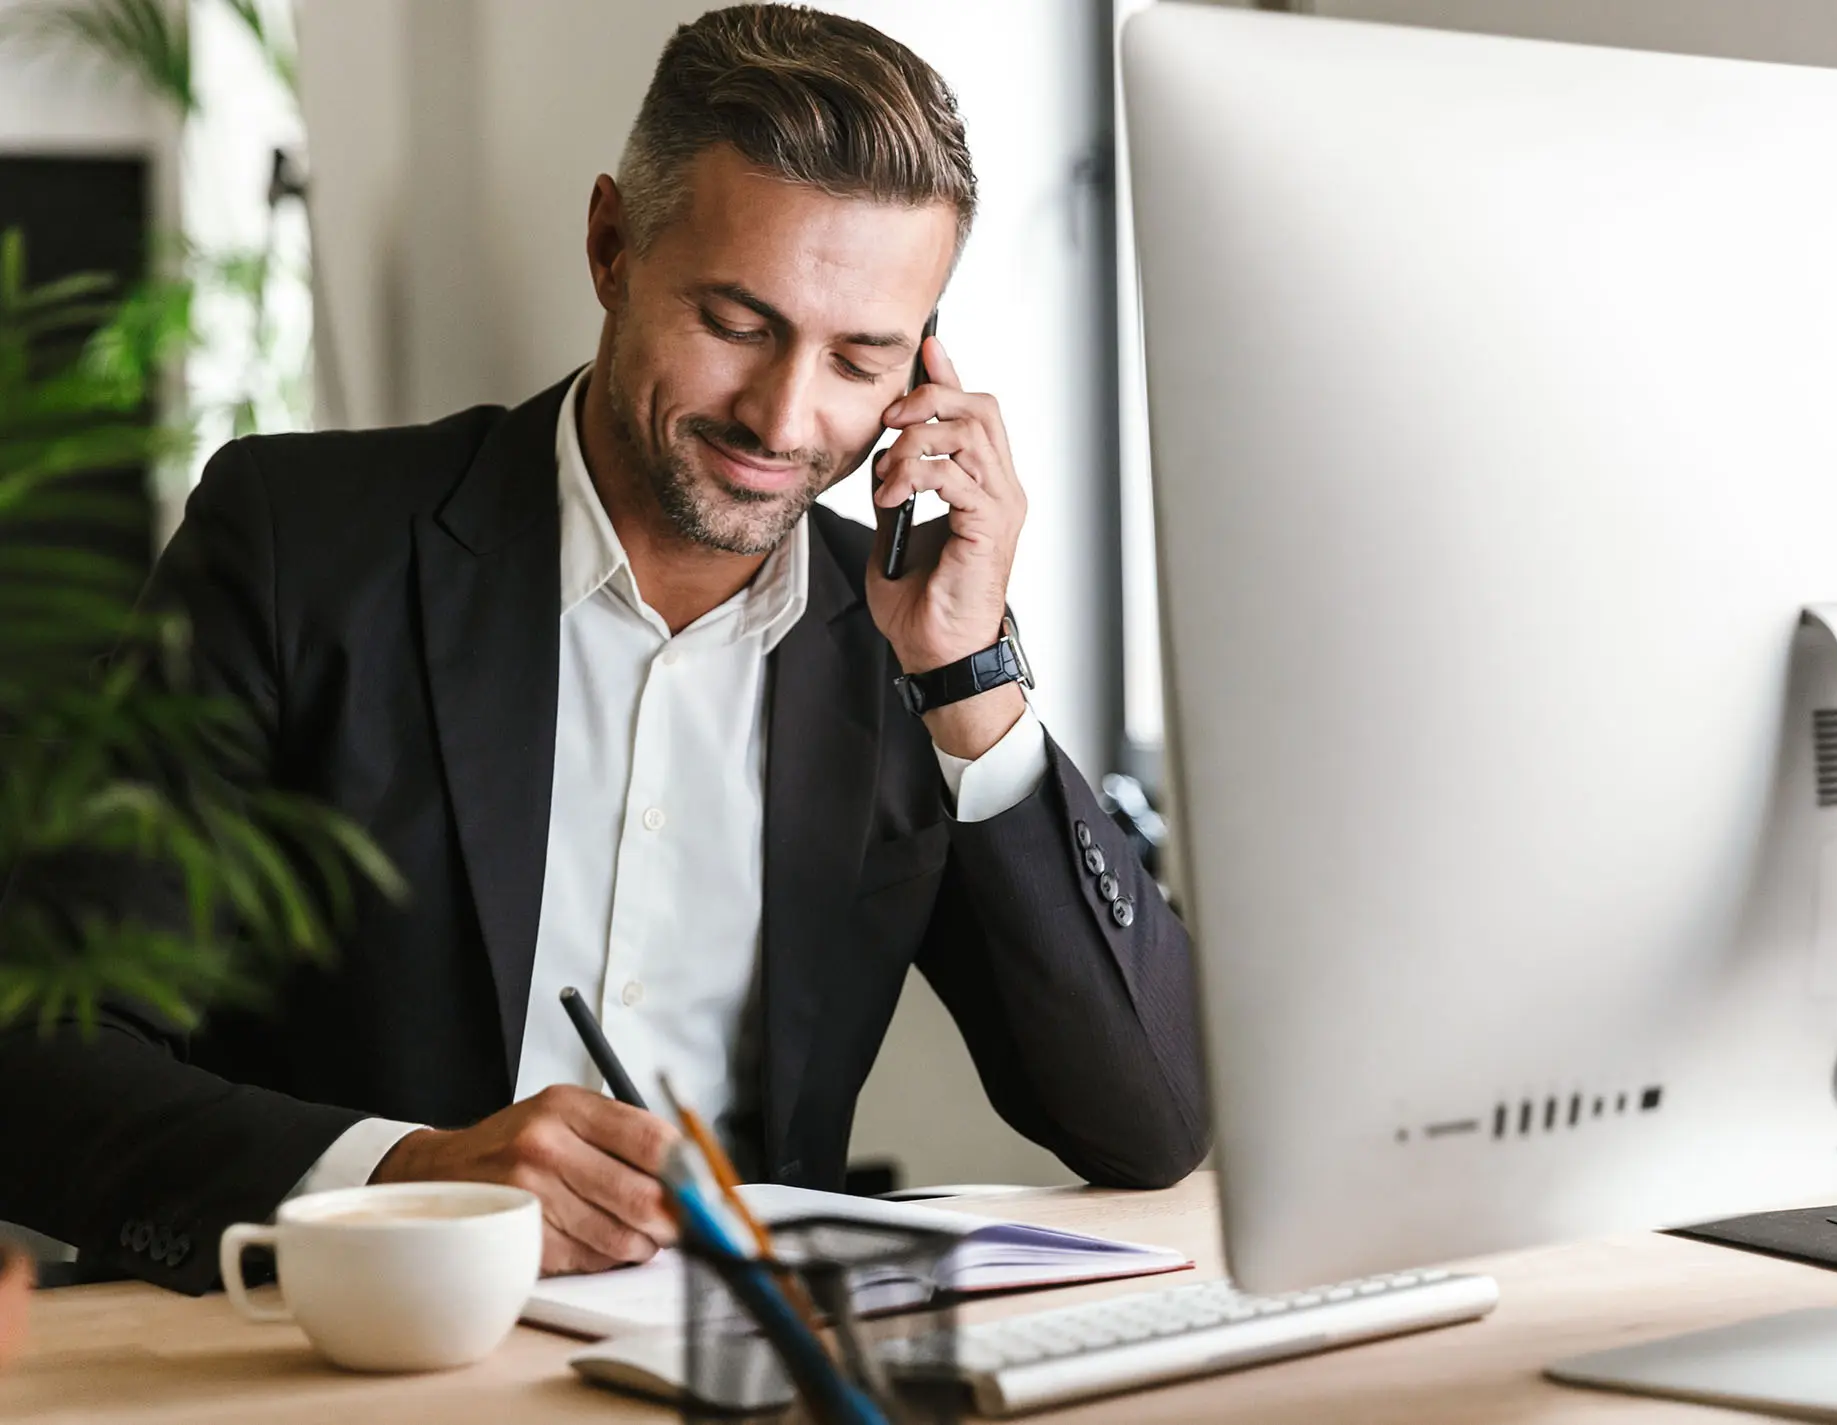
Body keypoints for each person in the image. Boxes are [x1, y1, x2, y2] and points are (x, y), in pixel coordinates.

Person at [0, 3, 1208, 1294]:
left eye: (860, 359)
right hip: (343, 1351)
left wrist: (971, 683)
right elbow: (42, 1056)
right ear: (611, 245)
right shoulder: (302, 545)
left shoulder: (899, 642)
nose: (783, 416)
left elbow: (1145, 1120)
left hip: (730, 1358)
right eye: (739, 324)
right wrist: (408, 1180)